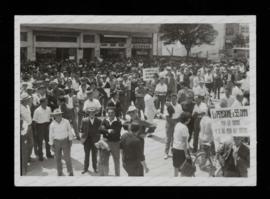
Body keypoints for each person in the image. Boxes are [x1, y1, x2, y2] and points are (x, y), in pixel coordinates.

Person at [49, 109, 74, 176]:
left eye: (59, 114)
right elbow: (50, 135)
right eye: (57, 115)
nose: (58, 116)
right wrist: (51, 145)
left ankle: (70, 171)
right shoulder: (52, 124)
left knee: (67, 158)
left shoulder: (66, 121)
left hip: (65, 141)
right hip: (56, 142)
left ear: (61, 115)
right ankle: (59, 172)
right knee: (57, 158)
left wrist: (70, 140)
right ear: (54, 116)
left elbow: (69, 131)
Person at [98, 107, 122, 176]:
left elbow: (115, 133)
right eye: (109, 113)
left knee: (116, 161)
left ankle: (117, 176)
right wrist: (108, 131)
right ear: (107, 113)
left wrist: (105, 131)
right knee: (105, 160)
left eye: (112, 113)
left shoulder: (118, 121)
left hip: (115, 144)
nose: (110, 114)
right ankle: (106, 175)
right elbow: (100, 130)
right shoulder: (105, 120)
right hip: (106, 143)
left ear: (115, 113)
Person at [80, 107, 102, 174]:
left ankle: (95, 168)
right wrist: (82, 139)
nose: (91, 114)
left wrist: (98, 139)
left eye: (93, 112)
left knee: (94, 155)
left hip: (95, 141)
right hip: (87, 140)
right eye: (90, 113)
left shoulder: (99, 121)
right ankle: (85, 168)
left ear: (95, 113)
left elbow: (100, 131)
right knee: (86, 155)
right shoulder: (84, 120)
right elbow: (81, 130)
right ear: (88, 113)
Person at [164, 93, 183, 159]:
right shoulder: (168, 106)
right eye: (172, 99)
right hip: (170, 123)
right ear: (171, 99)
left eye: (175, 99)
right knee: (168, 139)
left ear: (177, 99)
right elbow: (167, 117)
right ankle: (166, 153)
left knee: (175, 139)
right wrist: (173, 123)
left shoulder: (179, 106)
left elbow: (181, 115)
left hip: (177, 123)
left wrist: (178, 122)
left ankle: (173, 151)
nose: (174, 100)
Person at [172, 112, 191, 177]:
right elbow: (184, 142)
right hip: (181, 150)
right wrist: (186, 154)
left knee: (176, 168)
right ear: (187, 119)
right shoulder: (184, 128)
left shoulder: (177, 124)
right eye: (189, 119)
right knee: (184, 170)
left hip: (175, 148)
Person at [20, 93, 33, 175]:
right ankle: (23, 167)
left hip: (30, 127)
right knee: (24, 149)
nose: (29, 99)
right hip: (24, 130)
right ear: (24, 100)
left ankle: (27, 159)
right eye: (28, 98)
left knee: (31, 144)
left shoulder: (28, 106)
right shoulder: (19, 108)